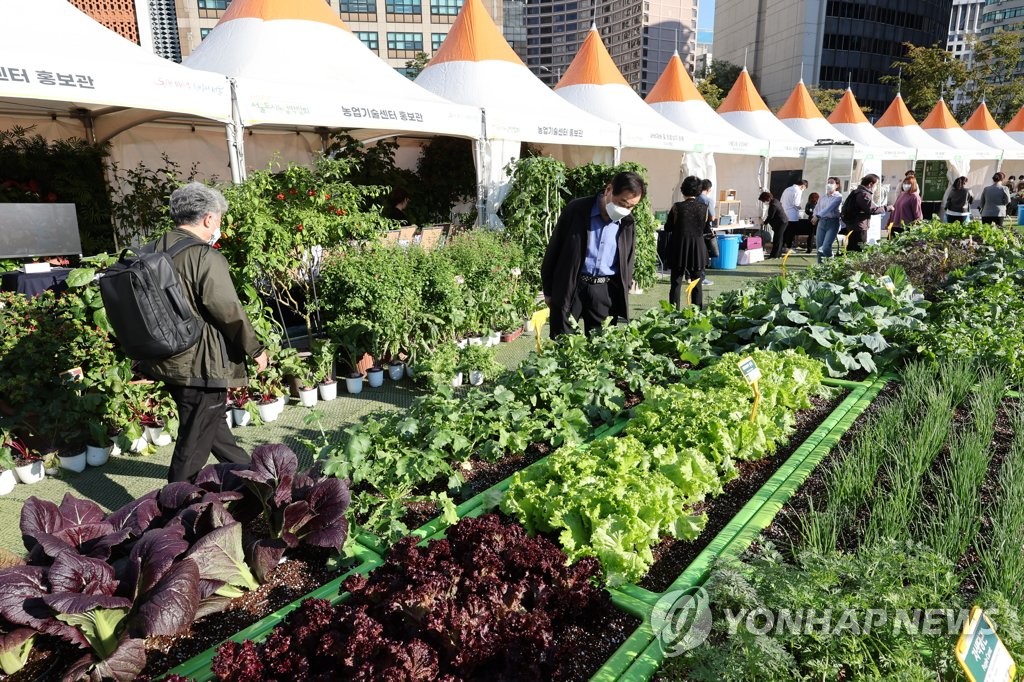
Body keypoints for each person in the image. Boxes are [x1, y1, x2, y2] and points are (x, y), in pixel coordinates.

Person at [143, 182, 269, 483]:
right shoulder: (203, 256)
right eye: (220, 219)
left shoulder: (149, 250)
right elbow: (227, 308)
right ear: (209, 219)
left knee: (210, 425)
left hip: (163, 356)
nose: (219, 226)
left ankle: (254, 478)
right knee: (195, 437)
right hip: (200, 363)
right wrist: (256, 348)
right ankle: (173, 501)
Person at [542, 171, 645, 338]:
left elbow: (628, 258)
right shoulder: (577, 209)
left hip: (604, 289)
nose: (625, 210)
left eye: (632, 206)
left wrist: (623, 288)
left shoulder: (627, 222)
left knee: (601, 346)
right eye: (622, 203)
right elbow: (554, 249)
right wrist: (548, 290)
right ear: (609, 190)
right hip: (572, 285)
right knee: (563, 343)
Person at [663, 176, 709, 310]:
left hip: (679, 246)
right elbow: (706, 228)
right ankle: (697, 311)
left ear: (683, 190)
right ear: (699, 191)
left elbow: (668, 227)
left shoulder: (677, 207)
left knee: (676, 282)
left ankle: (673, 312)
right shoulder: (704, 208)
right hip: (697, 248)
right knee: (697, 282)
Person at [840, 174, 891, 251]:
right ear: (870, 184)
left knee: (851, 249)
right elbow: (872, 209)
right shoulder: (864, 194)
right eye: (876, 184)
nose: (876, 187)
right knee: (858, 249)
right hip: (859, 226)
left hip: (851, 224)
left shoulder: (856, 192)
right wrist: (886, 208)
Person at [813, 177, 843, 263]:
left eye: (832, 182)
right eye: (828, 182)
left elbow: (829, 208)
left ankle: (831, 260)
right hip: (822, 222)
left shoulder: (838, 197)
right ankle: (820, 268)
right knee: (819, 248)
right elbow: (817, 208)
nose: (829, 184)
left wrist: (817, 216)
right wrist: (814, 215)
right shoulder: (823, 197)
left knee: (826, 247)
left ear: (837, 185)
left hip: (833, 222)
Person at [697, 179, 716, 286]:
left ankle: (690, 276)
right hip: (705, 229)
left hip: (694, 228)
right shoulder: (708, 200)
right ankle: (702, 277)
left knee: (695, 253)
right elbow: (712, 217)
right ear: (709, 189)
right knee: (704, 254)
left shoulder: (695, 198)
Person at [760, 191, 789, 258]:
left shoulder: (773, 205)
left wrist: (764, 222)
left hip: (781, 223)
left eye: (763, 200)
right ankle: (778, 254)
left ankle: (774, 255)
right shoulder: (775, 200)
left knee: (777, 239)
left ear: (766, 199)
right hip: (783, 222)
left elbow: (771, 216)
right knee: (779, 239)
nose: (764, 202)